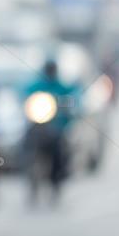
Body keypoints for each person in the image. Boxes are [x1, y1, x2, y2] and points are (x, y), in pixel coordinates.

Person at [24, 59, 77, 190]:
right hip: (37, 125)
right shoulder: (37, 86)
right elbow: (25, 93)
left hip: (56, 126)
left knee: (60, 147)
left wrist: (66, 105)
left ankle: (58, 176)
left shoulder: (60, 86)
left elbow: (72, 96)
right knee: (26, 140)